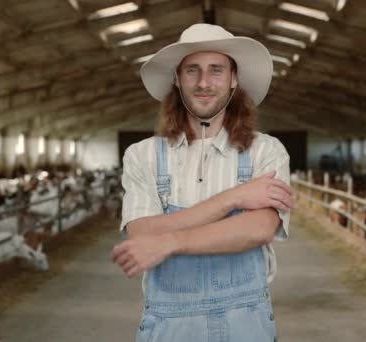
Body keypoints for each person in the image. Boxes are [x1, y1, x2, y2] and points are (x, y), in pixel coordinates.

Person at [111, 23, 294, 341]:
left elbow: (258, 229)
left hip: (246, 324)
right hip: (170, 325)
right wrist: (235, 197)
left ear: (234, 78)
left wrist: (170, 241)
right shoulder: (143, 156)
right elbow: (141, 232)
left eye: (216, 70)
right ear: (177, 80)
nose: (204, 82)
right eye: (192, 70)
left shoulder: (267, 150)